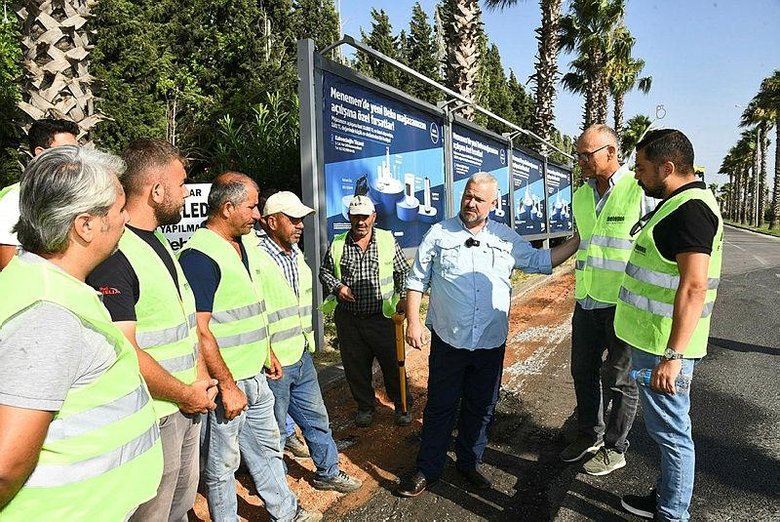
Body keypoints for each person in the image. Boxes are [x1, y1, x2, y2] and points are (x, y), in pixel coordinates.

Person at [0, 145, 163, 519]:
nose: (126, 219)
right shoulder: (48, 316)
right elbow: (5, 468)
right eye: (120, 209)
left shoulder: (49, 286)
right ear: (85, 225)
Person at [398, 172, 578, 497]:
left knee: (481, 406)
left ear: (493, 204)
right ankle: (428, 468)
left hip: (489, 343)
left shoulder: (506, 238)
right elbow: (416, 281)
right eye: (468, 195)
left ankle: (469, 463)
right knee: (441, 406)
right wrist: (413, 322)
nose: (471, 203)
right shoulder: (439, 233)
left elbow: (541, 261)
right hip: (449, 341)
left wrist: (579, 241)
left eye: (479, 199)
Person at [86, 139, 218, 521]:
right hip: (155, 414)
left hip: (185, 404)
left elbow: (181, 327)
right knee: (152, 513)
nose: (186, 193)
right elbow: (123, 350)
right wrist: (184, 393)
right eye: (181, 184)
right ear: (157, 191)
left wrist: (199, 381)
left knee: (179, 508)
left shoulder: (158, 241)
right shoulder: (117, 255)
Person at [179, 174, 319, 522]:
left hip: (254, 373)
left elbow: (252, 309)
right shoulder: (199, 256)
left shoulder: (242, 246)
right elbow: (199, 331)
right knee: (222, 465)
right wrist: (226, 386)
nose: (257, 215)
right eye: (252, 207)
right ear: (227, 209)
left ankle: (285, 512)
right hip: (229, 382)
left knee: (268, 449)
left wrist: (266, 350)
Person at [617, 129, 723, 521]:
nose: (637, 175)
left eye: (642, 168)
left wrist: (672, 356)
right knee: (667, 432)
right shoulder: (679, 202)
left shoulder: (690, 210)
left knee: (673, 435)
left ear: (668, 166)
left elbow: (694, 286)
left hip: (665, 346)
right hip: (656, 341)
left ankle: (672, 514)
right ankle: (665, 498)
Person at [560, 124, 657, 475]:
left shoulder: (639, 189)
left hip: (622, 304)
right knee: (582, 371)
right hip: (585, 300)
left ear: (611, 153)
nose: (581, 160)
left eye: (587, 154)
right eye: (579, 153)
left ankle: (615, 446)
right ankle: (590, 434)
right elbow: (582, 241)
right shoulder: (581, 194)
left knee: (618, 378)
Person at [253, 191, 362, 493]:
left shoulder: (295, 254)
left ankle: (328, 472)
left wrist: (306, 345)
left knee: (317, 419)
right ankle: (276, 493)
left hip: (300, 356)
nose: (300, 225)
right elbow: (253, 312)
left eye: (301, 219)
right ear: (271, 221)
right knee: (272, 432)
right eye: (293, 219)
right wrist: (266, 353)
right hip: (273, 364)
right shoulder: (255, 258)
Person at [319, 194, 412, 427]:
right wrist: (338, 287)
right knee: (355, 368)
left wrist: (402, 299)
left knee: (393, 364)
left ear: (374, 217)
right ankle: (365, 407)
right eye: (355, 217)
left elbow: (402, 272)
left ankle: (402, 406)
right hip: (349, 320)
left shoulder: (387, 240)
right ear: (349, 217)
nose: (360, 222)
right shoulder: (338, 243)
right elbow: (324, 272)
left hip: (382, 318)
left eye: (365, 217)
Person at [0, 118, 79, 269]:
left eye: (76, 151)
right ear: (40, 154)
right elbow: (7, 264)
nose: (75, 158)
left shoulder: (80, 196)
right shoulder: (15, 200)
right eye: (66, 151)